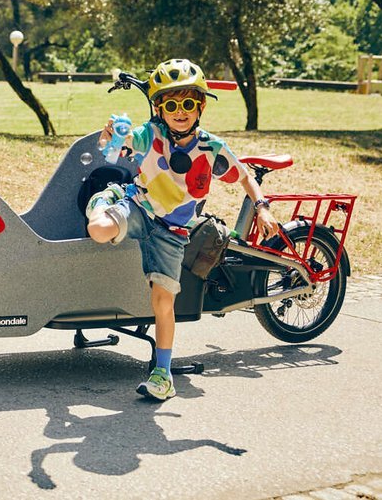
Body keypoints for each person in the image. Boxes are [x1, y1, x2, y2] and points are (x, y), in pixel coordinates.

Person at [86, 58, 278, 401]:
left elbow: (245, 176)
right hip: (139, 209)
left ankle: (163, 376)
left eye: (188, 103)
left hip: (172, 232)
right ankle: (108, 197)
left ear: (200, 106)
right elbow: (128, 140)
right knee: (98, 228)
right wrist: (113, 136)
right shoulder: (151, 134)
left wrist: (262, 207)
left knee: (163, 301)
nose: (180, 111)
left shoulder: (211, 149)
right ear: (160, 108)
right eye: (171, 104)